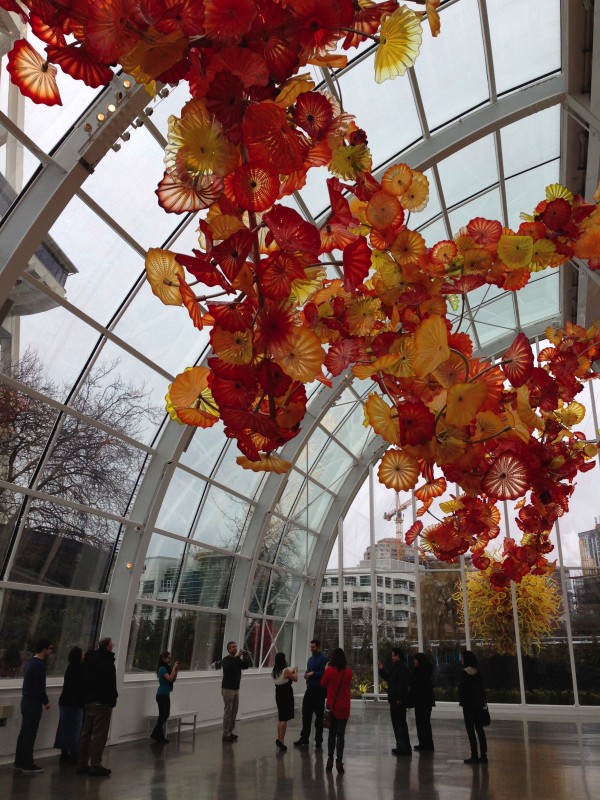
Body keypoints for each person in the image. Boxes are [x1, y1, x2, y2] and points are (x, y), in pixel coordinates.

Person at [77, 637, 118, 777]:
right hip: (102, 702)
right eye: (112, 643)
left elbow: (84, 679)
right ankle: (96, 765)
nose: (113, 645)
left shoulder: (89, 660)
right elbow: (110, 683)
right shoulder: (107, 662)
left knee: (86, 733)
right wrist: (112, 700)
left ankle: (82, 763)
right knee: (99, 735)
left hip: (89, 701)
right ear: (108, 646)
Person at [14, 638, 53, 773]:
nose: (50, 651)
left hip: (26, 701)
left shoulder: (31, 663)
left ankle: (19, 760)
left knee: (24, 732)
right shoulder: (39, 665)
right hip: (32, 703)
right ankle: (27, 762)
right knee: (30, 733)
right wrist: (46, 701)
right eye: (49, 648)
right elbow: (39, 686)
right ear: (44, 649)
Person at [321, 647, 352, 774]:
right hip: (344, 707)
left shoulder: (329, 671)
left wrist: (326, 670)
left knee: (332, 735)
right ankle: (339, 761)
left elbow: (323, 684)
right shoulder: (348, 672)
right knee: (341, 735)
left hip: (332, 707)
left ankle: (329, 759)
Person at [294, 639, 328, 748]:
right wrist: (306, 674)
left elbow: (325, 673)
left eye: (313, 647)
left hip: (319, 690)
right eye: (311, 647)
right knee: (306, 714)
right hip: (310, 688)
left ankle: (318, 739)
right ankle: (304, 737)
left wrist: (313, 673)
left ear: (318, 647)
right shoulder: (310, 660)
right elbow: (308, 671)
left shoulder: (324, 659)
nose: (311, 649)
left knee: (319, 716)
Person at [378, 647, 412, 756]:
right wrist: (382, 670)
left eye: (393, 655)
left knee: (399, 724)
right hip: (395, 701)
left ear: (398, 656)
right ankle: (401, 746)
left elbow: (402, 685)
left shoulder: (401, 668)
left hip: (398, 702)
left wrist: (399, 699)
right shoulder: (397, 668)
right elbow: (390, 679)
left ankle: (403, 748)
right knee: (398, 724)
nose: (392, 657)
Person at [54, 646, 85, 764]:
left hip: (65, 702)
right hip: (75, 703)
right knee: (75, 729)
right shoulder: (80, 669)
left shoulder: (70, 667)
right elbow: (82, 687)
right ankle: (73, 754)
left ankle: (64, 753)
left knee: (63, 728)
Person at [458, 650, 488, 764]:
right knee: (480, 730)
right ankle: (483, 755)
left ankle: (474, 754)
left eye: (462, 658)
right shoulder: (477, 671)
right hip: (478, 704)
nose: (461, 660)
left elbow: (463, 687)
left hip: (468, 705)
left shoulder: (464, 672)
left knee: (470, 730)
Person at [220, 641, 249, 742]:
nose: (235, 648)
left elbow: (245, 666)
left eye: (236, 647)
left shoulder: (237, 660)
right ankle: (225, 734)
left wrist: (245, 657)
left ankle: (230, 731)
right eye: (233, 647)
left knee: (234, 712)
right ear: (228, 649)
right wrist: (238, 656)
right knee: (228, 712)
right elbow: (229, 667)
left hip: (236, 689)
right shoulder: (226, 660)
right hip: (227, 689)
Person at [151, 651, 179, 744]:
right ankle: (158, 734)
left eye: (170, 658)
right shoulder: (162, 668)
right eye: (168, 658)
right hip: (161, 695)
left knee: (165, 714)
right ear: (163, 658)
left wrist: (176, 670)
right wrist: (174, 668)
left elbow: (173, 679)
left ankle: (157, 733)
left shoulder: (167, 668)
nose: (170, 660)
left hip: (165, 694)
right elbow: (170, 678)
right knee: (163, 715)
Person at [272, 652, 298, 751]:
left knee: (280, 717)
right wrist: (295, 671)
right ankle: (281, 740)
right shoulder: (286, 671)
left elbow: (283, 679)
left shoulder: (274, 671)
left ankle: (279, 738)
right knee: (284, 719)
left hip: (278, 693)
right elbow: (295, 679)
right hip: (286, 694)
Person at [410, 652, 436, 752]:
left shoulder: (421, 672)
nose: (414, 661)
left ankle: (426, 744)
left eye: (415, 660)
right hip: (424, 701)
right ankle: (424, 743)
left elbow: (417, 685)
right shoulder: (424, 671)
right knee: (423, 723)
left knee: (423, 723)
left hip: (422, 701)